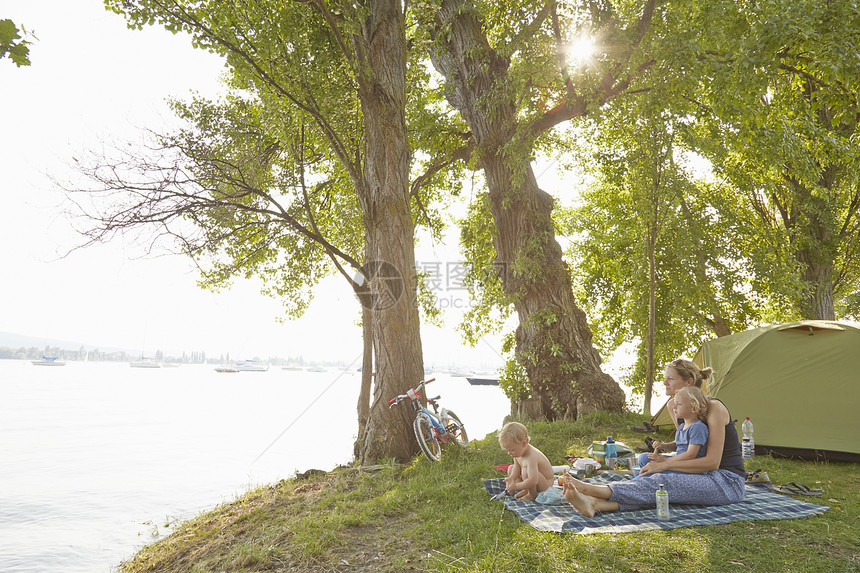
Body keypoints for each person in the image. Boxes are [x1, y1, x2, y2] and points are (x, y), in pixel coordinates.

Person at [562, 358, 746, 517]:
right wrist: (664, 455)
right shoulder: (675, 405)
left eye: (670, 379)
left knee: (664, 482)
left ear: (688, 382)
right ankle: (596, 504)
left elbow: (712, 463)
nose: (665, 383)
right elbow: (685, 446)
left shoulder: (714, 408)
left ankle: (591, 490)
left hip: (725, 481)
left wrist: (666, 464)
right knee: (648, 467)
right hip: (700, 474)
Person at [499, 421, 554, 501]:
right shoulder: (518, 452)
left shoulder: (531, 457)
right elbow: (517, 467)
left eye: (512, 450)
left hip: (545, 485)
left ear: (524, 443)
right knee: (511, 468)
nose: (509, 453)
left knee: (525, 471)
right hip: (532, 479)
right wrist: (512, 478)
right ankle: (526, 490)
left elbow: (533, 480)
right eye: (508, 450)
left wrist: (516, 486)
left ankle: (532, 495)